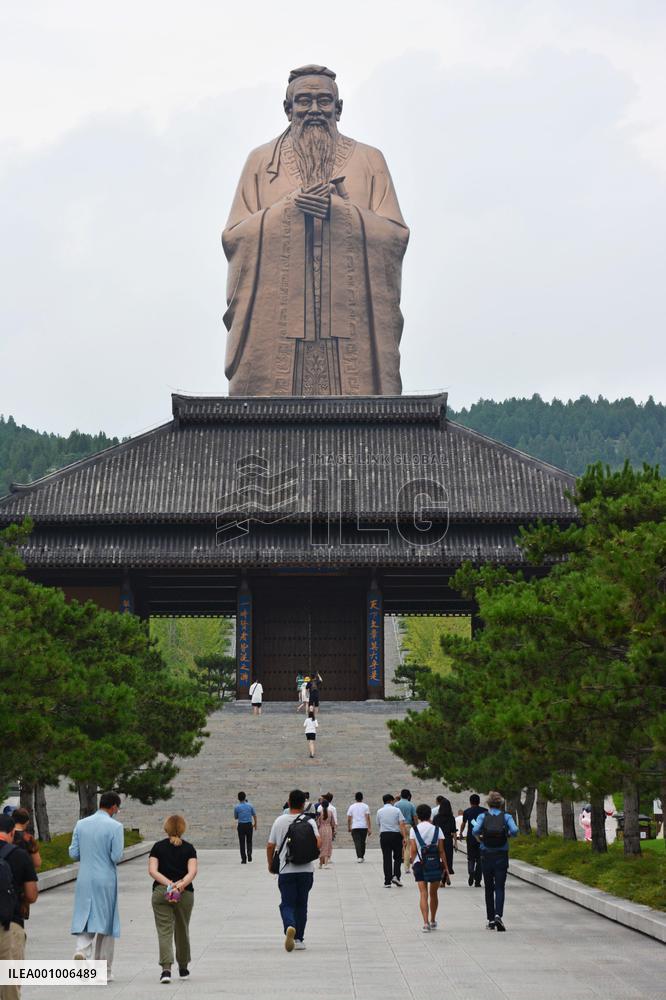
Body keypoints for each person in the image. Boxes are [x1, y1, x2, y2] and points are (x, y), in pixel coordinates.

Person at [222, 65, 409, 397]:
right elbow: (235, 237)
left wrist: (340, 212)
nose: (314, 110)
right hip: (281, 322)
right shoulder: (261, 163)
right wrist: (287, 210)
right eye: (304, 101)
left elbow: (395, 236)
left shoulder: (369, 161)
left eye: (324, 101)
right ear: (287, 109)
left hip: (350, 323)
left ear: (338, 109)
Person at [69, 791, 124, 980]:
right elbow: (116, 856)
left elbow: (73, 853)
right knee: (107, 924)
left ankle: (81, 950)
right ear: (114, 806)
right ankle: (104, 970)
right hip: (105, 878)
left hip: (84, 877)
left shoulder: (81, 824)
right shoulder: (115, 827)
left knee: (86, 916)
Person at [267, 789, 321, 952]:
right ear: (304, 804)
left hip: (286, 869)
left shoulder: (280, 821)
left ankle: (290, 925)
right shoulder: (309, 821)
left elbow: (270, 845)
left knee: (287, 903)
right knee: (302, 904)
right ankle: (299, 939)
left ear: (289, 803)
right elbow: (318, 843)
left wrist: (271, 865)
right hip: (306, 870)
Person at [148, 815, 198, 985]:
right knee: (182, 928)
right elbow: (192, 872)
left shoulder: (157, 847)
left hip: (162, 892)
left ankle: (166, 970)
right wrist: (180, 885)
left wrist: (169, 884)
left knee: (164, 931)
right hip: (184, 893)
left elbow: (152, 871)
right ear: (183, 829)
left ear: (166, 828)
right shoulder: (189, 849)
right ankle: (183, 967)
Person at [0, 813, 38, 1000]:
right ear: (11, 832)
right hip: (9, 925)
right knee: (9, 985)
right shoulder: (19, 855)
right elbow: (31, 895)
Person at [472, 790, 518, 931]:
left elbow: (475, 830)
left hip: (486, 854)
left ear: (488, 803)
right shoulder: (506, 816)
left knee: (488, 888)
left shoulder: (482, 816)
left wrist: (481, 840)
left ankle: (491, 919)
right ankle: (498, 914)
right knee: (499, 887)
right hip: (501, 854)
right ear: (500, 804)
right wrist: (507, 834)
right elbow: (515, 830)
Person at [409, 804, 447, 932]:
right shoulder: (437, 829)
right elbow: (442, 851)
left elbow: (413, 850)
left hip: (420, 863)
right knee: (434, 893)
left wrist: (411, 861)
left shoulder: (414, 830)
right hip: (435, 864)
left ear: (418, 816)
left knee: (423, 893)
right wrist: (446, 867)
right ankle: (433, 920)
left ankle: (425, 923)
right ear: (430, 815)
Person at [376, 794, 407, 888]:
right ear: (391, 801)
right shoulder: (397, 810)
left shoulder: (379, 811)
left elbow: (378, 824)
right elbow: (401, 824)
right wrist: (405, 837)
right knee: (397, 857)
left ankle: (387, 881)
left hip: (384, 835)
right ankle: (396, 876)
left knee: (386, 858)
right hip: (396, 835)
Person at [459, 794, 487, 887]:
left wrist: (461, 832)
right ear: (479, 802)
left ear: (470, 802)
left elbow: (463, 823)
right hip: (482, 838)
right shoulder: (484, 811)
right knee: (480, 859)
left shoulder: (467, 811)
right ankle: (478, 881)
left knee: (471, 857)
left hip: (471, 837)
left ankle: (471, 871)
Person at [432, 795, 457, 878]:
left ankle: (440, 874)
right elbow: (453, 831)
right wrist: (456, 843)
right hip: (448, 839)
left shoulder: (436, 817)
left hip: (438, 840)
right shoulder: (452, 818)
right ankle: (446, 876)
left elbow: (433, 829)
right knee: (448, 858)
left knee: (439, 857)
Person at [394, 789, 416, 873]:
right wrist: (417, 826)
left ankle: (397, 861)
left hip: (398, 826)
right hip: (408, 826)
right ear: (408, 796)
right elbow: (414, 817)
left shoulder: (396, 804)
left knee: (398, 846)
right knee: (407, 847)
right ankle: (406, 867)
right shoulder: (411, 805)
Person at [347, 792, 371, 862]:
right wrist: (369, 828)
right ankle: (361, 856)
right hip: (364, 826)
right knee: (363, 842)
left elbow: (349, 818)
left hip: (355, 827)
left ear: (355, 798)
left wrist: (349, 827)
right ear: (362, 798)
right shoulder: (366, 806)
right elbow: (367, 818)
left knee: (357, 842)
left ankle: (359, 856)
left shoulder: (352, 806)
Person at [234, 792, 257, 864]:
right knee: (249, 841)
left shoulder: (237, 807)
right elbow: (254, 815)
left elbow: (236, 817)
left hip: (241, 825)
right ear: (245, 797)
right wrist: (255, 824)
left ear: (238, 798)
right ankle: (249, 853)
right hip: (249, 825)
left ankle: (244, 859)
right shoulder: (250, 805)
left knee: (242, 842)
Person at [316, 797, 336, 867]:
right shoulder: (330, 812)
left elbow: (317, 823)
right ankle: (326, 863)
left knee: (321, 846)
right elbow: (333, 823)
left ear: (321, 805)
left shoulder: (320, 813)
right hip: (328, 829)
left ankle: (321, 863)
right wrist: (334, 831)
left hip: (321, 829)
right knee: (327, 846)